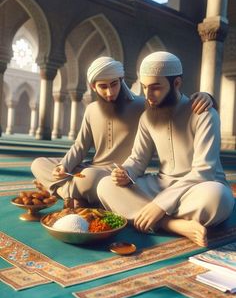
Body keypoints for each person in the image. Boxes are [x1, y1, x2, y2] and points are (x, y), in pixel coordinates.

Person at [31, 56, 213, 208]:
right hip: (89, 167)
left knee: (91, 179)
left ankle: (58, 189)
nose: (110, 92)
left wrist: (207, 97)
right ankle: (71, 193)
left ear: (121, 80)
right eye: (103, 86)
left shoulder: (143, 104)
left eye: (114, 84)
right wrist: (64, 166)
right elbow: (80, 146)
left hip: (115, 173)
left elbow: (171, 98)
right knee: (38, 164)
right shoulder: (91, 109)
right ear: (93, 86)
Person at [97, 52, 235, 246]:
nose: (148, 95)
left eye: (155, 88)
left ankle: (150, 216)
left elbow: (203, 171)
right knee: (105, 186)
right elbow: (137, 159)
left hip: (198, 187)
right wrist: (125, 172)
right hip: (161, 185)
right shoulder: (147, 117)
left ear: (176, 83)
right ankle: (172, 224)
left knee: (219, 198)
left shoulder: (203, 114)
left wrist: (159, 205)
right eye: (144, 87)